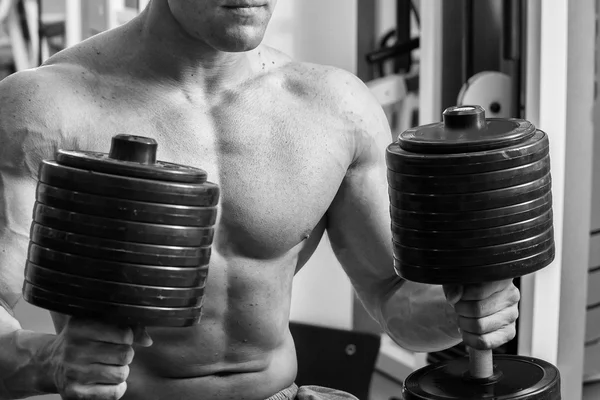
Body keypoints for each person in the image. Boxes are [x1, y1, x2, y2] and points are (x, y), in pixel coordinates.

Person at [0, 1, 520, 399]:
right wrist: (48, 360)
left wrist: (460, 309)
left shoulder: (336, 108)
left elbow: (392, 298)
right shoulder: (44, 108)